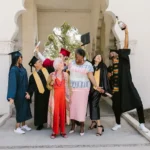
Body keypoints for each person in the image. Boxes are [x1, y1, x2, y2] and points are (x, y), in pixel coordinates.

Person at [109, 25, 149, 132]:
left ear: (117, 53)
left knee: (138, 103)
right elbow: (109, 80)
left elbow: (126, 44)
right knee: (116, 107)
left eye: (113, 52)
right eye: (111, 54)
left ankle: (141, 124)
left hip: (128, 85)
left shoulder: (124, 60)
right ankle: (118, 123)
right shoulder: (111, 68)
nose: (112, 54)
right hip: (117, 89)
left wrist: (126, 31)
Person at [68, 48, 104, 136]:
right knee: (72, 107)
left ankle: (82, 126)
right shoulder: (71, 63)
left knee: (81, 108)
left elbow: (91, 77)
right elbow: (68, 74)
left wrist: (96, 86)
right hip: (72, 89)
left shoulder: (88, 65)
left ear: (83, 56)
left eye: (78, 57)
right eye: (75, 56)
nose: (76, 58)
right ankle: (73, 125)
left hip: (83, 90)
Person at [7, 51, 32, 134]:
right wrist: (11, 96)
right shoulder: (14, 69)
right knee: (20, 109)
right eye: (20, 57)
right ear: (16, 58)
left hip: (24, 92)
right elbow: (12, 83)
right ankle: (17, 127)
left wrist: (28, 92)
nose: (21, 59)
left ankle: (23, 125)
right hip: (18, 93)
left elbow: (26, 80)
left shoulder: (22, 67)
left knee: (25, 108)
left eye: (21, 57)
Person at [27, 56, 54, 130]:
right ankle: (40, 123)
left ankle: (52, 122)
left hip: (49, 93)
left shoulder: (48, 69)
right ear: (35, 65)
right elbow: (31, 86)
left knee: (50, 107)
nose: (41, 62)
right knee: (40, 109)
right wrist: (29, 93)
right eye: (39, 62)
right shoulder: (33, 76)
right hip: (40, 95)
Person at [47, 58, 71, 139]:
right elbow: (48, 86)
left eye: (62, 63)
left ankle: (63, 131)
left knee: (62, 113)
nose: (62, 64)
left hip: (63, 96)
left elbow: (69, 86)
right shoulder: (52, 74)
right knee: (55, 113)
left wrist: (69, 96)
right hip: (55, 96)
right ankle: (54, 131)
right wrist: (52, 81)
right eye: (60, 63)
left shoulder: (66, 75)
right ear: (56, 65)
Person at [88, 54, 111, 136]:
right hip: (89, 89)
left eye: (100, 57)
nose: (98, 57)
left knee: (94, 106)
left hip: (98, 89)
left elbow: (105, 80)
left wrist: (104, 90)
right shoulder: (90, 66)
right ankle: (93, 122)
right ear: (94, 58)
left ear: (101, 60)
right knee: (91, 105)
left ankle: (99, 126)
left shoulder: (102, 67)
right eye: (97, 56)